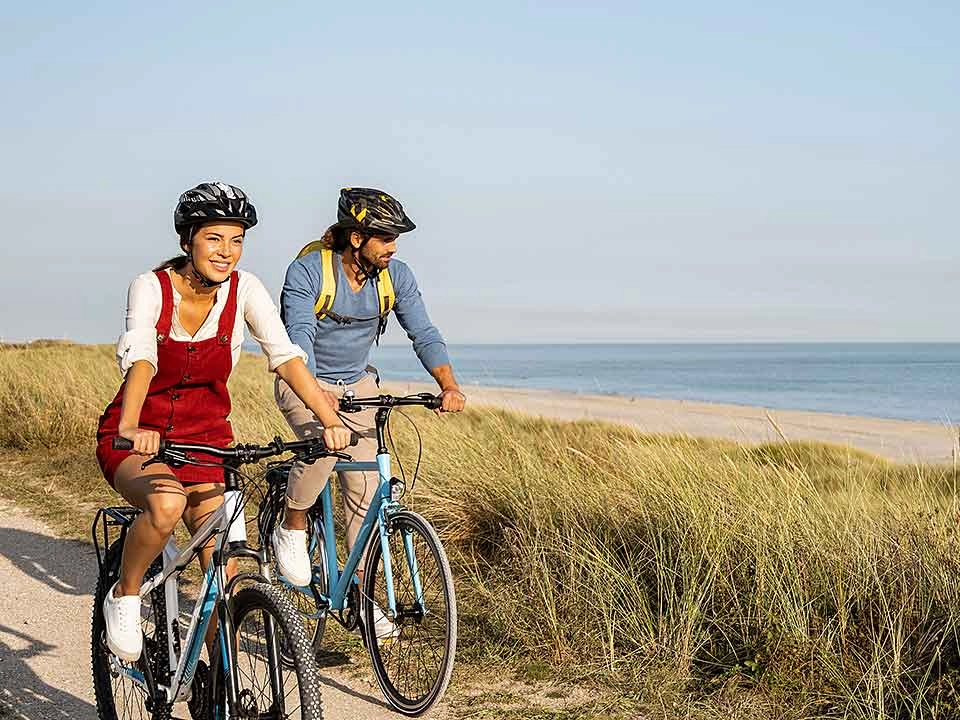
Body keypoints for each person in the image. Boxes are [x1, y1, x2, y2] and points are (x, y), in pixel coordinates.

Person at [95, 181, 352, 662]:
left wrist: (327, 419)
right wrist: (131, 426)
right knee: (168, 505)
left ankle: (218, 685)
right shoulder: (150, 287)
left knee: (227, 572)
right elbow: (142, 357)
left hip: (209, 441)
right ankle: (125, 595)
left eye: (237, 240)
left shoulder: (245, 289)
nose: (227, 252)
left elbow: (285, 355)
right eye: (214, 238)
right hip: (138, 436)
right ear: (187, 240)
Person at [272, 187, 465, 633]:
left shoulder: (395, 276)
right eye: (385, 237)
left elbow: (424, 331)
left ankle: (357, 596)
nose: (394, 247)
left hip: (359, 385)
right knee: (324, 446)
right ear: (356, 238)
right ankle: (292, 524)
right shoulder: (308, 272)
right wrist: (322, 406)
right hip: (305, 380)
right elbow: (297, 337)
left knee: (366, 490)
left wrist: (448, 385)